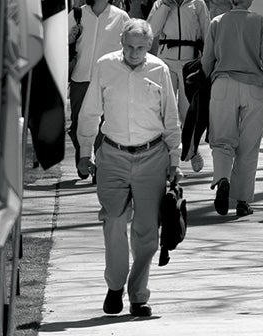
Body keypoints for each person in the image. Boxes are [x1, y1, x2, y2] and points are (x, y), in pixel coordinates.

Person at [77, 18, 182, 318]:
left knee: (147, 232)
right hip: (112, 155)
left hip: (152, 156)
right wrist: (85, 151)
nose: (134, 53)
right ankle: (114, 286)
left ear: (149, 45)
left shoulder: (159, 70)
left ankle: (138, 295)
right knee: (113, 220)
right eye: (129, 47)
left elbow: (171, 118)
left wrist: (174, 161)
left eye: (140, 47)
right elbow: (90, 111)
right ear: (121, 43)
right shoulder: (105, 66)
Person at [201, 0, 263, 217]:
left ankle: (223, 179)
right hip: (254, 87)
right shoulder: (260, 22)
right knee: (249, 147)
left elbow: (207, 60)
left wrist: (202, 88)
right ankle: (243, 200)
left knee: (222, 140)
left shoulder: (217, 22)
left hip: (223, 84)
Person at [68, 0, 130, 161]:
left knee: (104, 125)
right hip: (81, 78)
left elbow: (128, 49)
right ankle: (82, 153)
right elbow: (61, 43)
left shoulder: (121, 17)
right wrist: (70, 37)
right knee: (78, 122)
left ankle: (98, 162)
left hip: (109, 81)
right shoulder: (77, 14)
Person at [147, 0, 210, 129]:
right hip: (166, 61)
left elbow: (207, 33)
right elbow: (151, 31)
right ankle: (169, 147)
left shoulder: (197, 4)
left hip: (190, 63)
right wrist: (165, 6)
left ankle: (189, 150)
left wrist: (208, 60)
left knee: (187, 109)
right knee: (166, 107)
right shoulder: (160, 4)